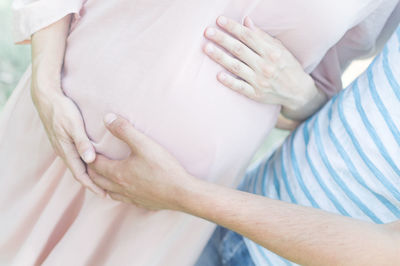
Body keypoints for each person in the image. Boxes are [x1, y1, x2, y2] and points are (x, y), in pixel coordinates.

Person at [1, 0, 399, 264]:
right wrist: (46, 84)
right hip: (54, 127)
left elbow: (321, 95)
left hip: (165, 208)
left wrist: (299, 93)